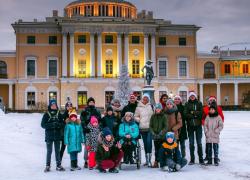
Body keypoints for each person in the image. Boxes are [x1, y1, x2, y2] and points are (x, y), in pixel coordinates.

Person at [41, 100, 65, 172]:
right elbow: (42, 125)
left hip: (57, 136)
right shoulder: (46, 114)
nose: (54, 106)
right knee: (49, 151)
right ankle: (48, 165)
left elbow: (63, 124)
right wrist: (52, 125)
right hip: (49, 136)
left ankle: (58, 165)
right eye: (52, 105)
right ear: (50, 106)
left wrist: (58, 125)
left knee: (57, 151)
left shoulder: (59, 114)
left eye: (55, 105)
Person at [80, 97, 101, 168]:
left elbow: (99, 120)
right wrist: (85, 128)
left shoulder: (97, 111)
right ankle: (86, 161)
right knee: (87, 147)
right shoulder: (84, 111)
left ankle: (95, 160)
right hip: (87, 131)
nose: (91, 103)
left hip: (95, 131)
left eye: (92, 102)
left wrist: (99, 128)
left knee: (95, 146)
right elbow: (82, 120)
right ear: (88, 103)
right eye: (90, 102)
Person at [184, 91, 205, 165]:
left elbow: (201, 113)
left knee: (199, 143)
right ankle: (192, 159)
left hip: (198, 126)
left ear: (195, 96)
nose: (192, 97)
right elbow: (185, 114)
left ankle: (201, 159)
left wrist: (192, 112)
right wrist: (195, 115)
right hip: (190, 126)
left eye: (193, 96)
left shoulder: (199, 103)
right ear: (189, 97)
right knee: (191, 143)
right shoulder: (187, 104)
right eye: (191, 96)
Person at [202, 96, 224, 162]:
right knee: (208, 143)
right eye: (210, 100)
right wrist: (205, 128)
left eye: (213, 100)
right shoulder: (205, 108)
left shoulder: (218, 108)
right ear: (209, 101)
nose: (211, 101)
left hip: (215, 129)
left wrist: (217, 129)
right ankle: (207, 156)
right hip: (208, 129)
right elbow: (203, 118)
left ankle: (216, 157)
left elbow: (221, 118)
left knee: (215, 143)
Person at [134, 94, 154, 167]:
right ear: (142, 99)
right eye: (144, 98)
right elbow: (135, 116)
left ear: (148, 99)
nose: (145, 99)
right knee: (145, 144)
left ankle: (149, 160)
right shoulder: (138, 107)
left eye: (147, 98)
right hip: (142, 128)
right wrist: (140, 120)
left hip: (149, 128)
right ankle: (146, 160)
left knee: (149, 143)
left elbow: (154, 115)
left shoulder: (151, 106)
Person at [149, 103, 168, 168]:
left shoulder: (164, 116)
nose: (157, 110)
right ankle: (156, 162)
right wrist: (153, 133)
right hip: (155, 136)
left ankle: (163, 162)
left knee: (162, 149)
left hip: (162, 136)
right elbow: (150, 126)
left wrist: (161, 133)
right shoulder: (153, 116)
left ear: (161, 109)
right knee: (156, 150)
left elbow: (166, 126)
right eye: (156, 108)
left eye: (159, 109)